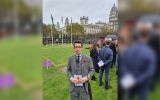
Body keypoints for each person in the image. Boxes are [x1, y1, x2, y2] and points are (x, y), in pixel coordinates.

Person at [120, 30, 156, 100]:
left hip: (130, 81)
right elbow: (150, 71)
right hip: (143, 83)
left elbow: (123, 66)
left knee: (129, 97)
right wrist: (137, 81)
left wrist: (128, 78)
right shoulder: (150, 51)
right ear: (148, 38)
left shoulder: (128, 49)